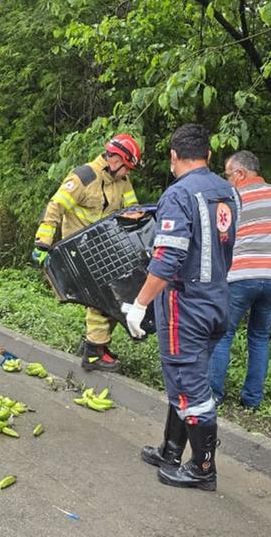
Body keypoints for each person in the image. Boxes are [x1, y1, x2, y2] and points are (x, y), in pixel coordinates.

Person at [123, 123, 238, 491]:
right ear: (209, 155)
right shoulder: (228, 191)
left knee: (189, 385)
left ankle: (203, 468)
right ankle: (171, 450)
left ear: (174, 157)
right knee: (186, 379)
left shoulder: (179, 193)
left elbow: (168, 257)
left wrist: (140, 303)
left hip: (185, 305)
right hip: (218, 300)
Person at [33, 134, 141, 372]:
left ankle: (96, 345)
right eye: (126, 168)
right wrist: (43, 243)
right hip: (78, 249)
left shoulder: (122, 182)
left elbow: (133, 209)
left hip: (104, 248)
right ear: (115, 160)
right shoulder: (84, 177)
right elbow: (55, 206)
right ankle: (93, 352)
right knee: (102, 298)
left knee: (113, 297)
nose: (127, 173)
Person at [207, 151, 271, 409]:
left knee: (223, 334)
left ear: (240, 173)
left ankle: (214, 395)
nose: (227, 180)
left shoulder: (234, 198)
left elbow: (222, 236)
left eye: (228, 174)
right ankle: (252, 400)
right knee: (260, 337)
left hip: (242, 275)